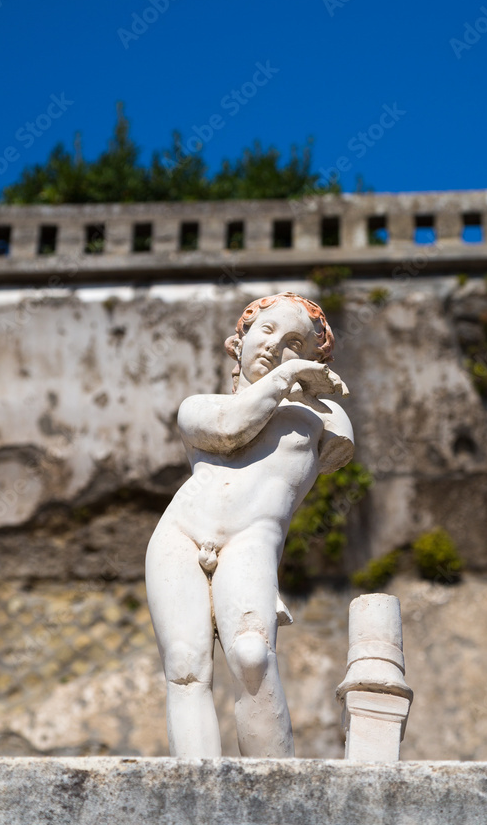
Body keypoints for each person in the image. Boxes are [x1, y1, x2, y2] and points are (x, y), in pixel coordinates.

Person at [145, 291, 353, 756]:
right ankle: (197, 792)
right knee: (185, 666)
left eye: (295, 342)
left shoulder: (326, 418)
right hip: (180, 534)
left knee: (251, 655)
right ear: (236, 343)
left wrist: (289, 383)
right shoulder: (199, 406)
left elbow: (293, 425)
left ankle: (274, 797)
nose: (276, 346)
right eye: (266, 330)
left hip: (251, 539)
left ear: (317, 359)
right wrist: (286, 376)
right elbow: (229, 428)